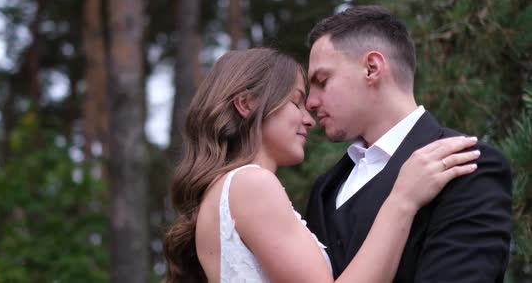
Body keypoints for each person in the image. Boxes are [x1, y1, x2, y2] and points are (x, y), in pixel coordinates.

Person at [163, 47, 481, 283]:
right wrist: (403, 200)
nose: (308, 118)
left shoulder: (221, 192)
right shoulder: (250, 184)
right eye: (296, 101)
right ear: (247, 104)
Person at [304, 5, 512, 282]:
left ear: (371, 68)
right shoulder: (325, 189)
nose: (310, 102)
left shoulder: (468, 165)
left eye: (321, 80)